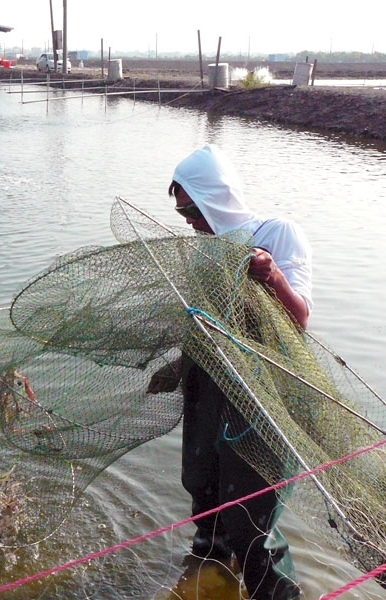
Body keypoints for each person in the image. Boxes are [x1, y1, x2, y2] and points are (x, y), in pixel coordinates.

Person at [148, 144, 312, 600]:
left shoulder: (276, 234)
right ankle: (206, 578)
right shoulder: (203, 250)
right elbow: (207, 325)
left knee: (252, 517)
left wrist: (272, 276)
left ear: (215, 197)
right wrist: (177, 367)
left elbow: (298, 324)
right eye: (182, 212)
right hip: (208, 385)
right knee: (202, 490)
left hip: (261, 394)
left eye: (192, 209)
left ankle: (274, 593)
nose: (188, 221)